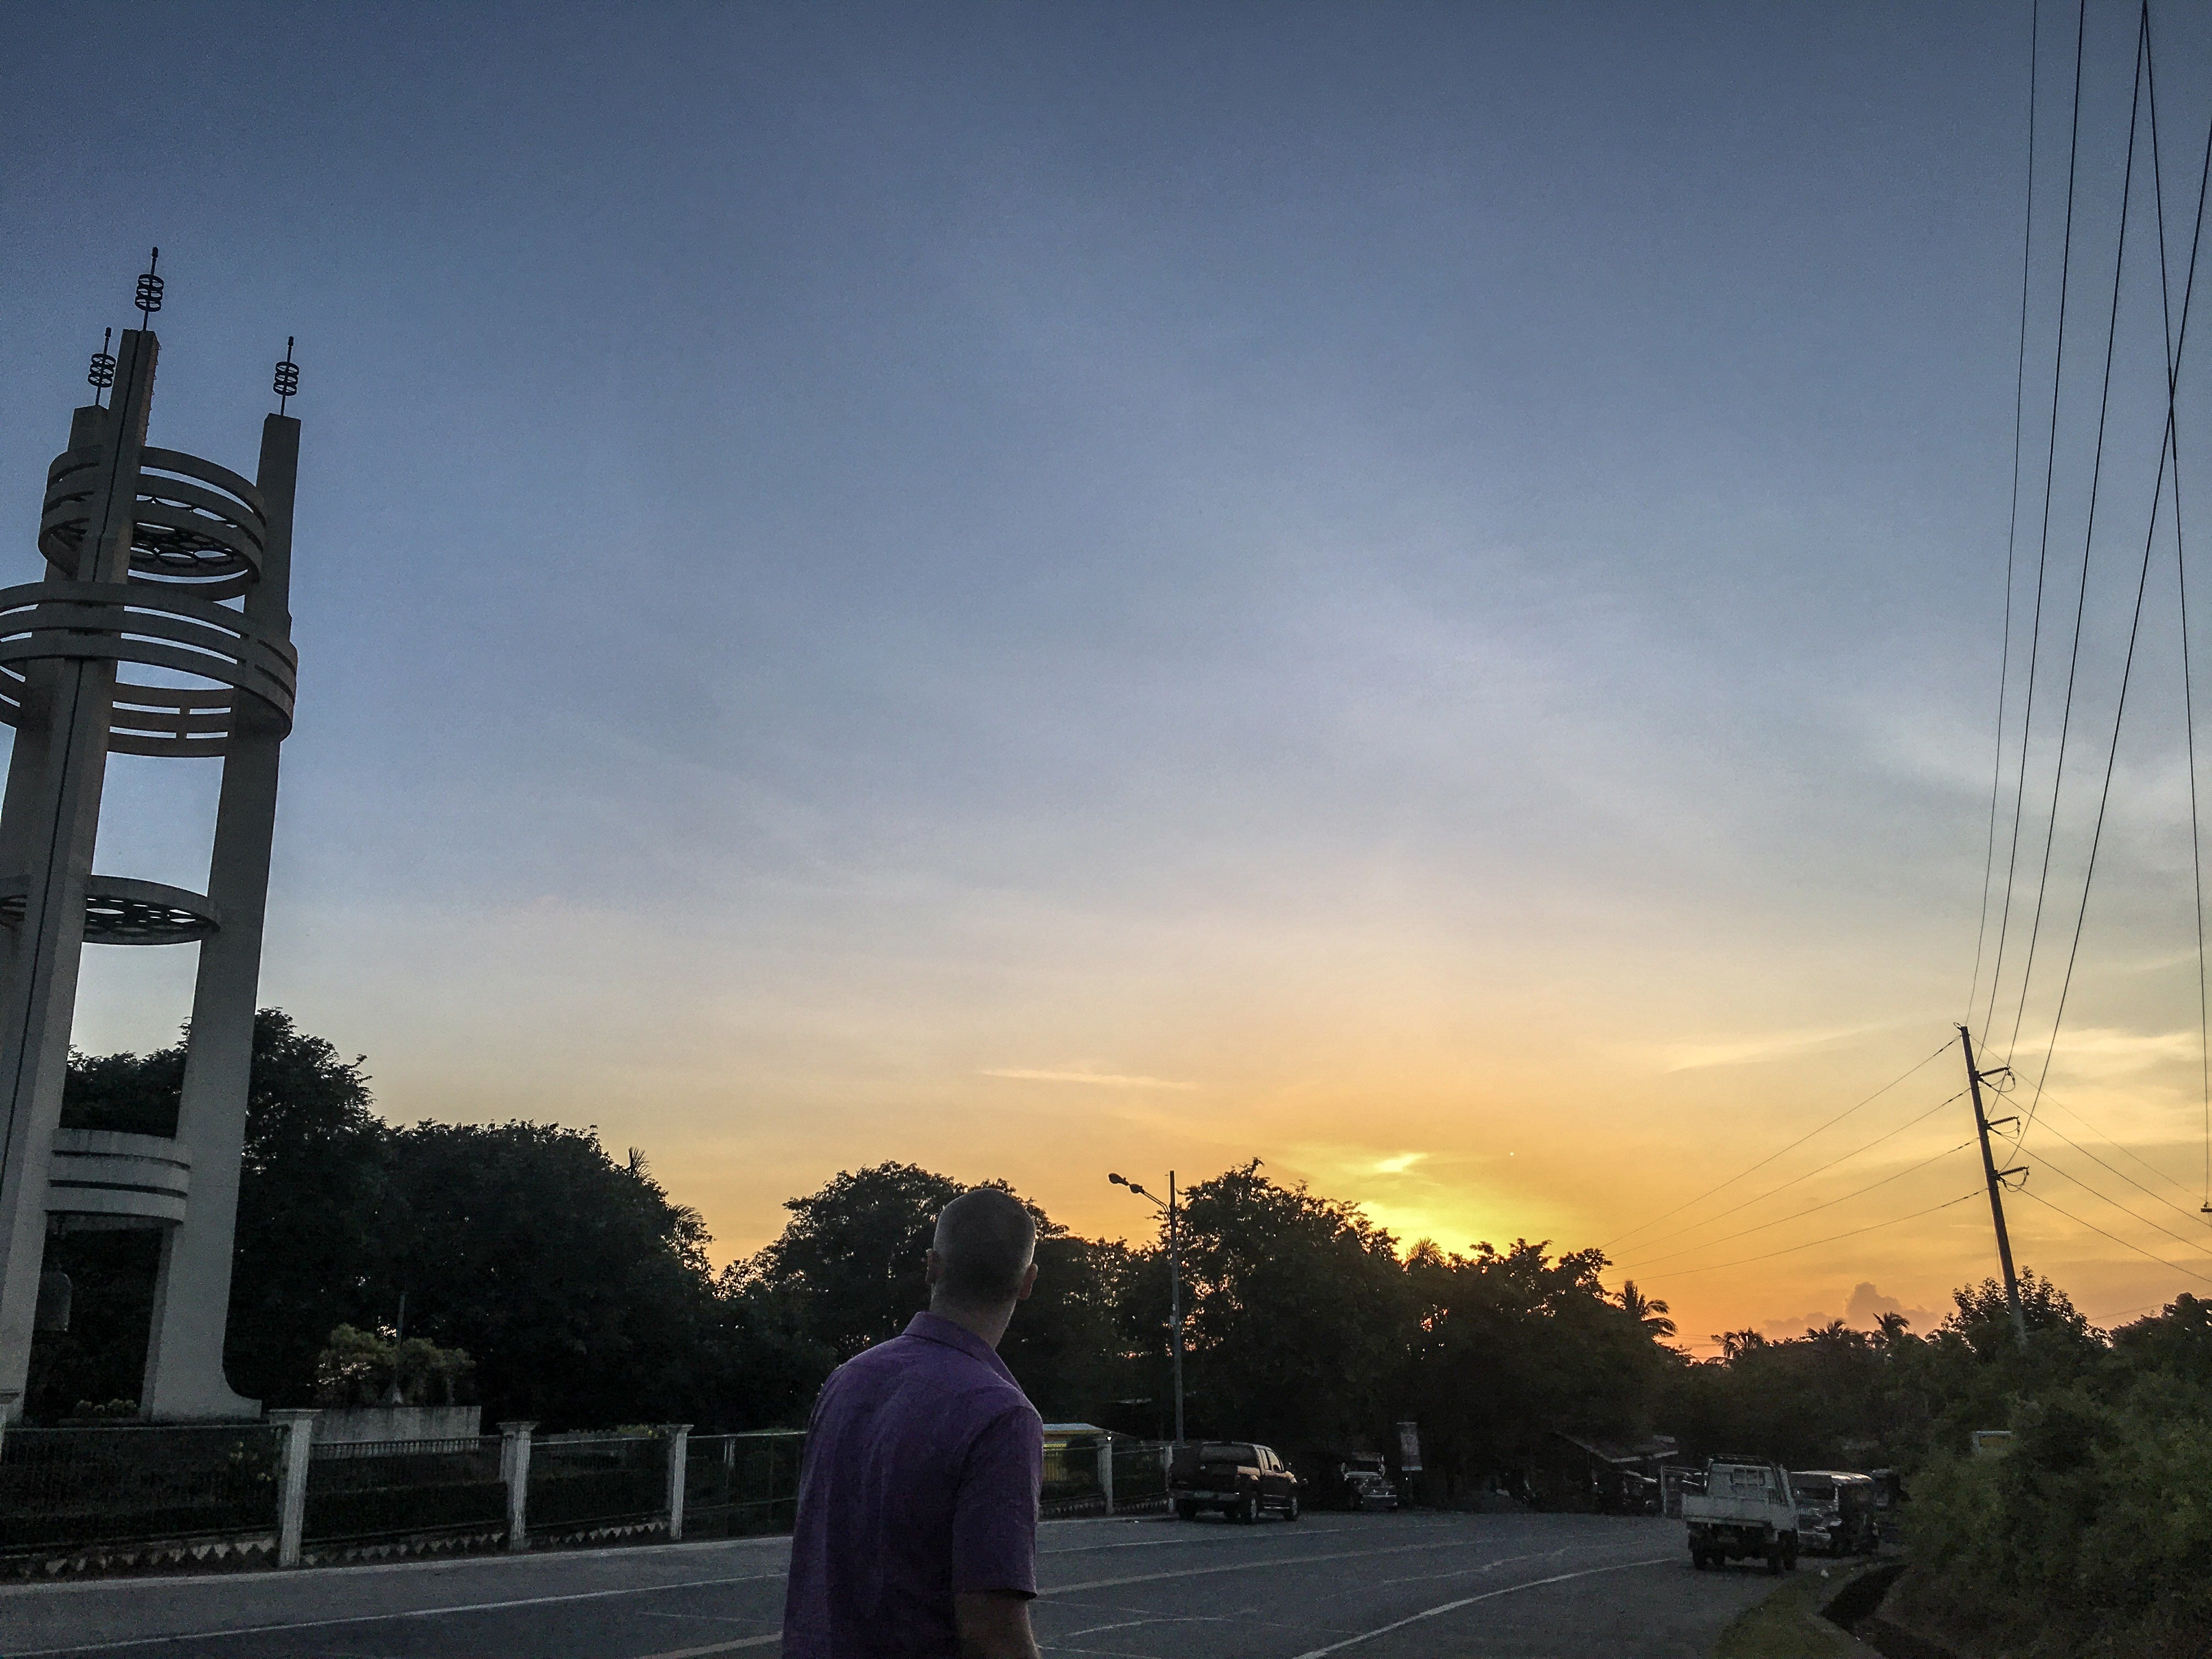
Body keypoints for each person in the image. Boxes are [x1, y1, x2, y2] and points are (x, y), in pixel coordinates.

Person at [781, 1186, 1046, 1659]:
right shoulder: (1002, 1416)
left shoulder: (846, 1381)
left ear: (932, 1266)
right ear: (1028, 1283)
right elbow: (992, 1633)